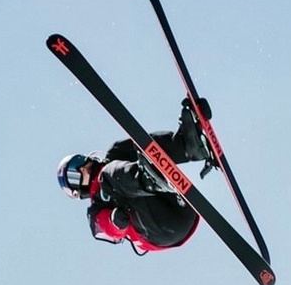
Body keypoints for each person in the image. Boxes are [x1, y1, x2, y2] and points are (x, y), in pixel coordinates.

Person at [57, 101, 211, 255]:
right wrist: (114, 222)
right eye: (74, 176)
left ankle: (188, 145)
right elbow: (103, 227)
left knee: (126, 148)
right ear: (77, 191)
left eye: (77, 162)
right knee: (106, 176)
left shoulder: (116, 157)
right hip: (158, 229)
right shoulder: (97, 206)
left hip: (183, 209)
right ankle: (146, 180)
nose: (81, 168)